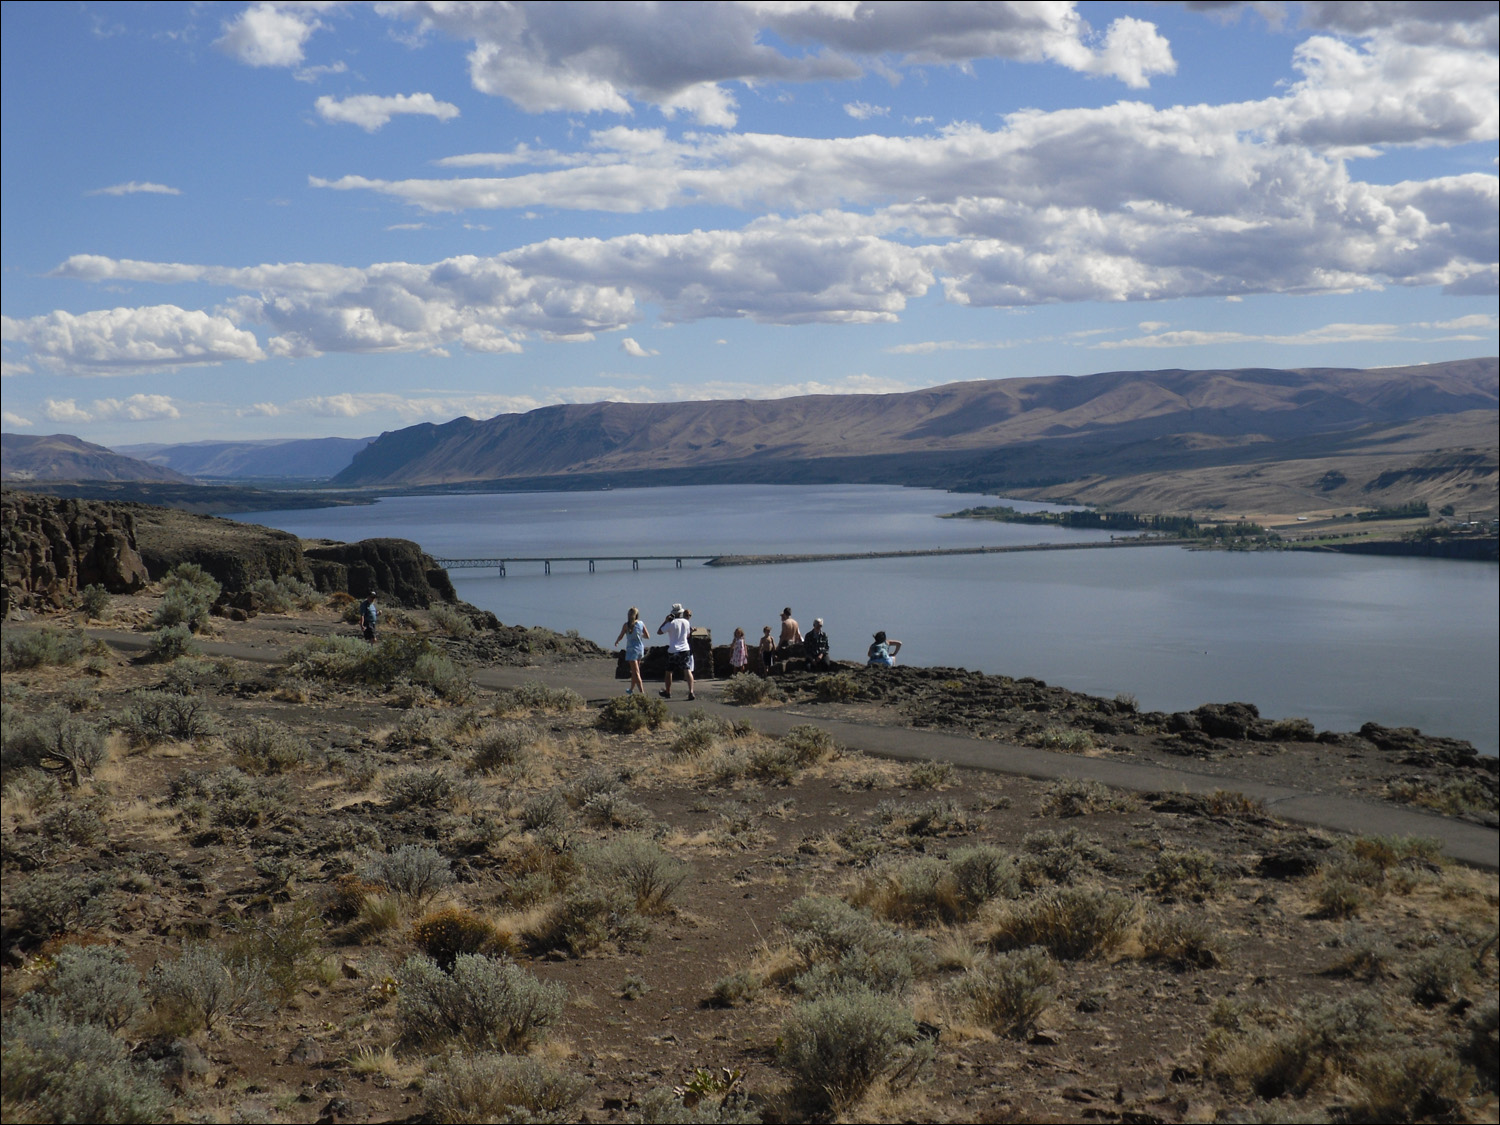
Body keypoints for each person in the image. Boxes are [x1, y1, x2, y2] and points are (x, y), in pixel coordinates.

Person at [657, 603, 695, 701]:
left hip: (673, 650)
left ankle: (668, 691)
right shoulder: (686, 622)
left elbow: (659, 632)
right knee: (687, 670)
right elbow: (687, 635)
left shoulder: (670, 623)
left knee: (669, 671)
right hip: (685, 649)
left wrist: (665, 621)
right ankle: (691, 691)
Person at [614, 606, 648, 695]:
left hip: (632, 650)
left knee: (636, 672)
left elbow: (621, 635)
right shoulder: (641, 624)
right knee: (635, 671)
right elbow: (647, 636)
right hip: (640, 649)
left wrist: (617, 641)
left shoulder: (626, 625)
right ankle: (631, 689)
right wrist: (640, 635)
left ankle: (642, 692)